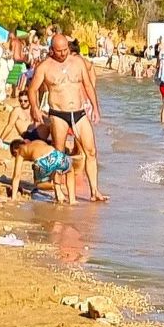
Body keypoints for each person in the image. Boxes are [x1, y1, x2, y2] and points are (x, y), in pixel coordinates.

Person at [29, 33, 106, 201]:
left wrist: (95, 108)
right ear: (51, 50)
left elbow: (87, 85)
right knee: (60, 154)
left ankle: (94, 191)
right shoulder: (45, 66)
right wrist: (34, 108)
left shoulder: (77, 62)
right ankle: (58, 192)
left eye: (65, 50)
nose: (63, 53)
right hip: (58, 113)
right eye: (59, 51)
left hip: (79, 112)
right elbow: (32, 89)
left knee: (91, 151)